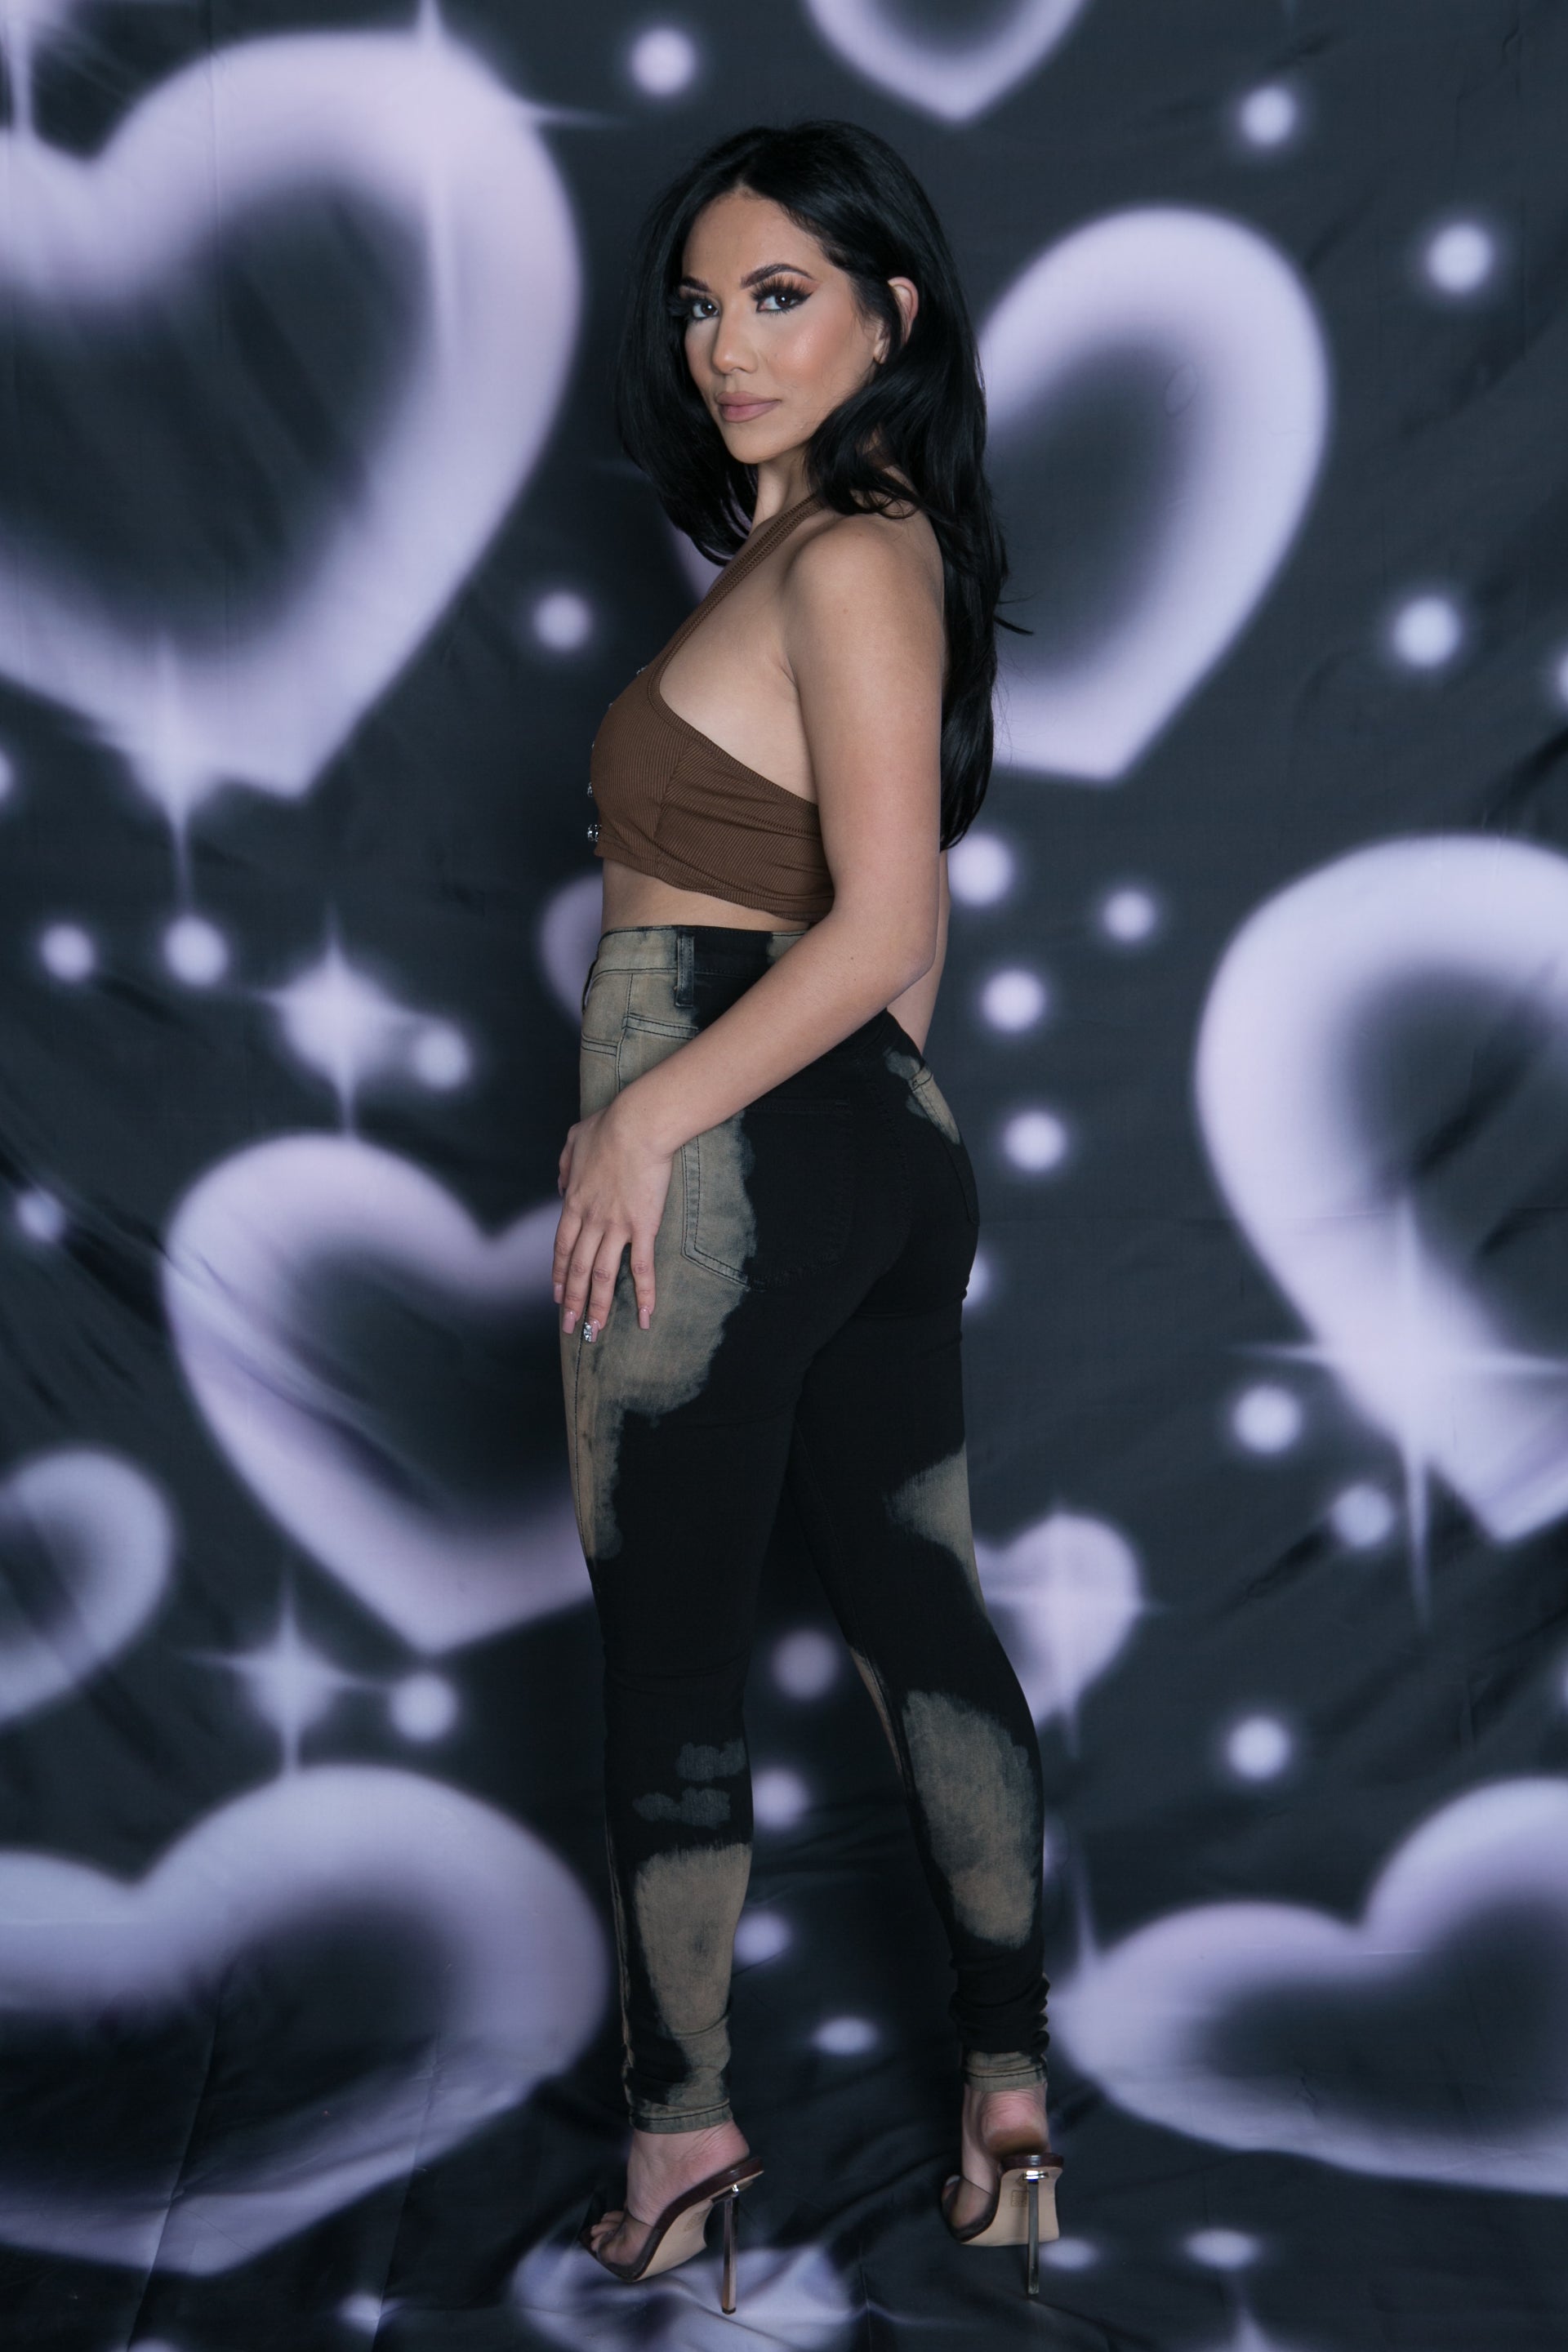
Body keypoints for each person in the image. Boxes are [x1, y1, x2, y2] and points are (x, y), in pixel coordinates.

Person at [553, 118, 1062, 2314]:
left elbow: (883, 919)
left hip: (725, 1125)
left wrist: (645, 1124)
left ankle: (680, 2140)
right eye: (703, 302)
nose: (728, 344)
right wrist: (873, 1152)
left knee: (672, 1650)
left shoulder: (849, 557)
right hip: (860, 1139)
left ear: (889, 318)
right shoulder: (841, 556)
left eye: (781, 296)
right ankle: (1011, 2101)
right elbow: (890, 959)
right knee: (921, 1616)